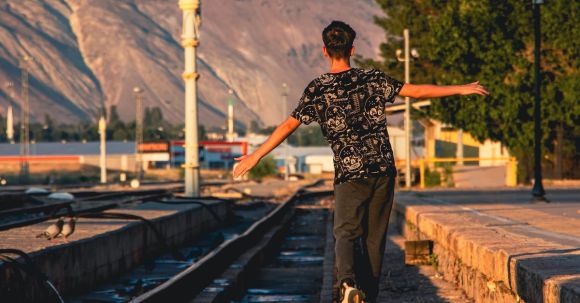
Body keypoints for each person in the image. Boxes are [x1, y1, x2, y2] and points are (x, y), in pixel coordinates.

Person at [233, 20, 488, 303]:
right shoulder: (373, 78)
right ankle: (369, 295)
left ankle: (347, 284)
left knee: (345, 232)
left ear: (324, 51)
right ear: (352, 49)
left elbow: (288, 126)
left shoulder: (319, 88)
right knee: (374, 239)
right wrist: (460, 88)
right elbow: (415, 91)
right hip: (382, 169)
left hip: (350, 173)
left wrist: (255, 155)